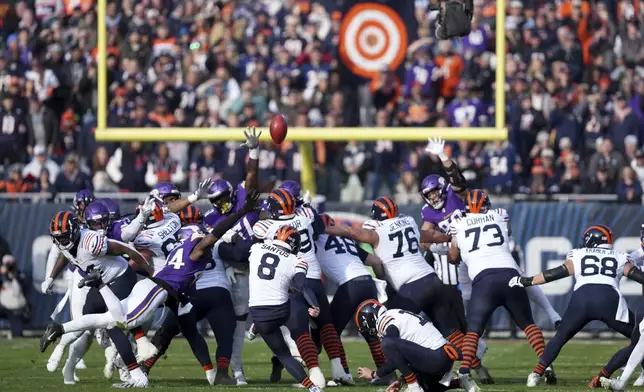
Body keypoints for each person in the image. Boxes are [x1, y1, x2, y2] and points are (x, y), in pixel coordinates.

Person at [508, 224, 644, 387]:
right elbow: (639, 276)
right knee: (639, 340)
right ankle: (605, 374)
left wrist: (527, 280)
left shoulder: (579, 254)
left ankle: (536, 373)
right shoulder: (620, 256)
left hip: (582, 299)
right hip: (609, 300)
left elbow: (556, 273)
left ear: (591, 239)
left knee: (560, 337)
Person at [40, 211, 154, 387]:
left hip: (120, 278)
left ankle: (136, 375)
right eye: (58, 238)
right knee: (84, 324)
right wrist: (51, 277)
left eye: (64, 237)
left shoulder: (91, 242)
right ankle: (69, 366)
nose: (61, 241)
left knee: (112, 324)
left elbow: (126, 249)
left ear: (75, 231)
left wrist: (149, 270)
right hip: (99, 283)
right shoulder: (66, 244)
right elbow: (66, 254)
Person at [448, 189, 549, 387]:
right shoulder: (500, 215)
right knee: (528, 324)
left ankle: (465, 372)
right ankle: (547, 364)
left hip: (484, 279)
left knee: (473, 331)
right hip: (510, 274)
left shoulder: (458, 223)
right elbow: (507, 234)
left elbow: (453, 257)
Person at [253, 189, 351, 386]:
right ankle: (339, 370)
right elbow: (314, 221)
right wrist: (305, 205)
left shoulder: (267, 227)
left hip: (295, 281)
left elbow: (257, 231)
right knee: (326, 324)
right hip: (314, 277)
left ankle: (316, 376)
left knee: (300, 332)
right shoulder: (305, 216)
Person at [202, 126, 261, 385]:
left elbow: (252, 174)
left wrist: (255, 151)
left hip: (260, 268)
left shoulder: (242, 199)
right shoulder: (211, 218)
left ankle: (299, 361)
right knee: (237, 325)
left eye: (225, 197)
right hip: (236, 273)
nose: (222, 203)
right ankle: (236, 370)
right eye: (217, 200)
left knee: (282, 316)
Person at [248, 227, 323, 392]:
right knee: (295, 308)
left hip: (258, 313)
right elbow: (303, 286)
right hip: (280, 310)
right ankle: (313, 385)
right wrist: (314, 305)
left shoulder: (256, 248)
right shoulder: (297, 260)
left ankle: (254, 327)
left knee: (283, 355)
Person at [355, 300, 480, 392]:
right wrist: (401, 381)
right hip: (441, 357)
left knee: (387, 344)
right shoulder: (394, 314)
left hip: (434, 357)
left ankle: (414, 387)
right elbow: (407, 355)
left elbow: (392, 352)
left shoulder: (384, 321)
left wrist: (374, 374)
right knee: (427, 387)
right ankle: (459, 382)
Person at [0, 253, 29, 338]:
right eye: (7, 265)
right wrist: (2, 274)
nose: (9, 267)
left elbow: (22, 287)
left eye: (10, 265)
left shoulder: (19, 275)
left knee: (17, 334)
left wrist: (13, 274)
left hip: (15, 310)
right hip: (2, 307)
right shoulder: (2, 276)